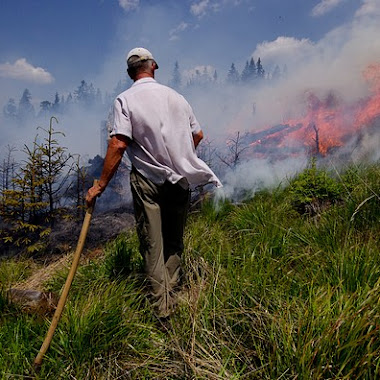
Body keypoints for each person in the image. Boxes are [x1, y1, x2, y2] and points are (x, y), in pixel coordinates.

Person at [86, 47, 222, 318]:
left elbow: (119, 142)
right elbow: (198, 134)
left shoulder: (125, 99)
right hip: (180, 179)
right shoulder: (177, 98)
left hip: (148, 180)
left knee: (152, 245)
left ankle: (162, 311)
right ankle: (174, 293)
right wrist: (182, 156)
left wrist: (100, 185)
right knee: (174, 240)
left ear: (129, 73)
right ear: (154, 66)